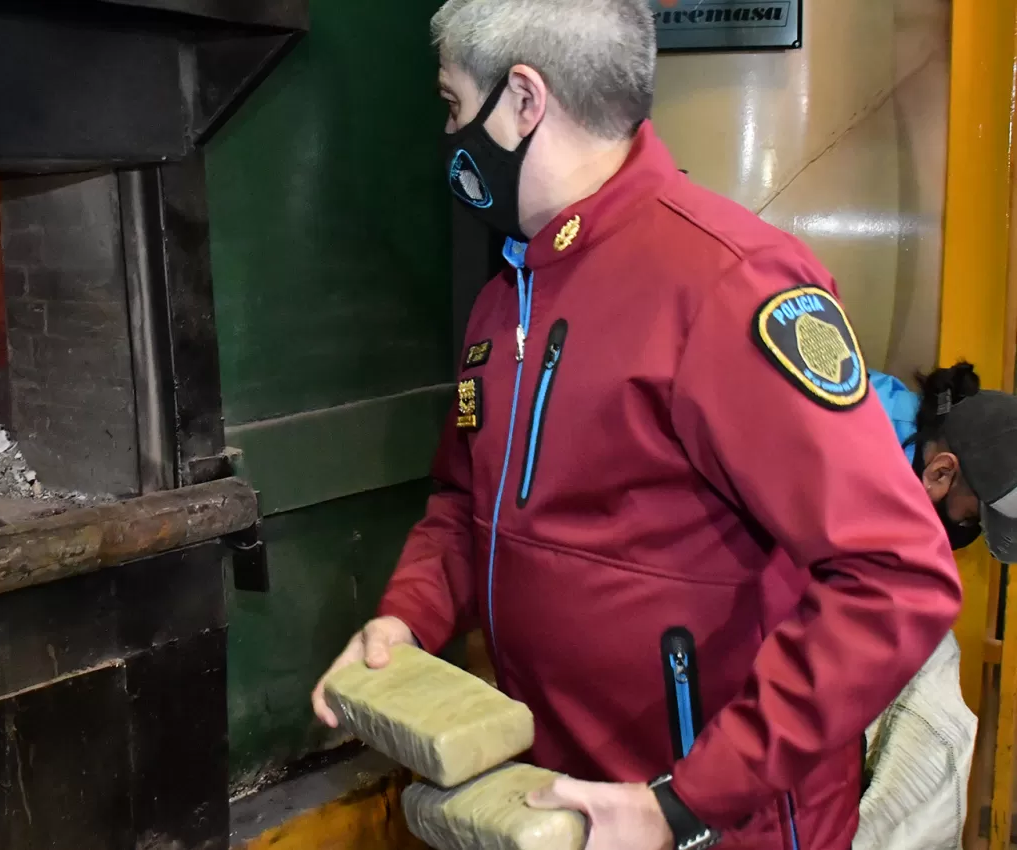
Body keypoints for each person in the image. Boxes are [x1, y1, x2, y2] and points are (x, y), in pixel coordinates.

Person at [308, 2, 963, 848]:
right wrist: (409, 618)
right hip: (564, 804)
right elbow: (464, 502)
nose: (447, 130)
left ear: (522, 101)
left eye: (449, 101)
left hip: (714, 820)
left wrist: (684, 801)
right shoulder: (507, 296)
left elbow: (896, 576)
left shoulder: (731, 288)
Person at [855, 363, 1010, 850]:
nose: (970, 534)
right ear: (943, 471)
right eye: (975, 518)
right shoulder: (851, 446)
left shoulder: (930, 459)